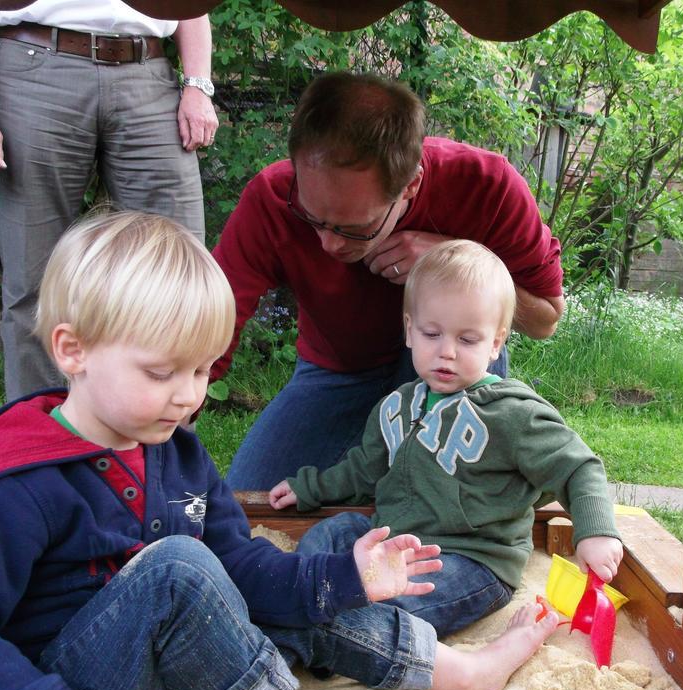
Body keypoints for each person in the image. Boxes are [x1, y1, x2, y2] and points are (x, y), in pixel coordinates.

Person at [0, 212, 558, 690]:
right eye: (162, 372)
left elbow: (241, 565)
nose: (189, 394)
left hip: (168, 688)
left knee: (298, 583)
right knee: (182, 570)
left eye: (203, 369)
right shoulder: (19, 479)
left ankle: (454, 672)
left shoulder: (174, 452)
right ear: (73, 351)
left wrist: (344, 578)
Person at [212, 71, 567, 491]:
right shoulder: (271, 198)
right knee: (251, 499)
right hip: (335, 370)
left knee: (438, 509)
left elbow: (546, 319)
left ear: (410, 185)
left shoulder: (486, 185)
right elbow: (213, 323)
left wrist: (452, 259)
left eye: (354, 228)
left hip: (452, 372)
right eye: (313, 218)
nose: (328, 244)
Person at [268, 240, 625, 638]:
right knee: (331, 533)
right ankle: (304, 599)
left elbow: (578, 465)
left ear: (496, 342)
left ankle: (326, 633)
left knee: (392, 609)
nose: (446, 352)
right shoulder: (396, 405)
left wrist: (594, 532)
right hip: (397, 542)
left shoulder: (512, 411)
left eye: (468, 340)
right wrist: (310, 487)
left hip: (471, 560)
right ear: (409, 331)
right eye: (432, 333)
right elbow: (363, 468)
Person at [0, 0, 219, 400]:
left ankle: (164, 449)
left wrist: (198, 85)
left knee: (178, 275)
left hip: (148, 70)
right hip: (35, 68)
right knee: (33, 283)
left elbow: (193, 5)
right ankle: (40, 447)